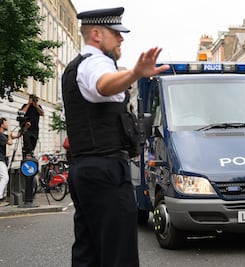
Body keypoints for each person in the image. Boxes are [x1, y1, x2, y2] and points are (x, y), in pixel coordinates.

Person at [61, 7, 169, 267]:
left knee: (88, 251)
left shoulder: (74, 68)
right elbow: (103, 84)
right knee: (119, 253)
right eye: (116, 33)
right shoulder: (96, 62)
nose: (121, 39)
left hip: (85, 168)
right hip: (105, 170)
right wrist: (134, 73)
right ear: (96, 34)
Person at [0, 118, 21, 203]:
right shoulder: (0, 135)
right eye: (5, 123)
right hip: (0, 159)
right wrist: (9, 135)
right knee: (5, 177)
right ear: (1, 125)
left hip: (2, 159)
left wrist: (21, 131)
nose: (7, 124)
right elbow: (10, 142)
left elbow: (14, 137)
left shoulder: (2, 135)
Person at [20, 94, 44, 158]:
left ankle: (31, 154)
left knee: (33, 144)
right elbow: (22, 112)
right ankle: (27, 155)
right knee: (27, 144)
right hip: (27, 128)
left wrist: (36, 106)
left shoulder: (38, 107)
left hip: (35, 129)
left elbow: (42, 113)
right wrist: (28, 104)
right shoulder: (25, 106)